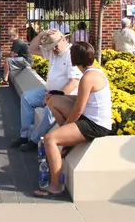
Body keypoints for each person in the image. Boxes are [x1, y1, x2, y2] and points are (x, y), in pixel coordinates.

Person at [35, 41, 113, 198]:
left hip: (94, 125)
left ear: (75, 58)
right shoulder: (93, 72)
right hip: (89, 117)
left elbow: (78, 110)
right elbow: (80, 98)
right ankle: (67, 138)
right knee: (53, 100)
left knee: (50, 139)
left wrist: (64, 128)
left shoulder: (88, 77)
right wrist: (55, 97)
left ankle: (56, 185)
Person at [11, 29, 82, 152]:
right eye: (52, 46)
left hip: (65, 96)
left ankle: (34, 140)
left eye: (56, 45)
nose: (54, 49)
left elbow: (73, 83)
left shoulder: (71, 55)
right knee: (27, 98)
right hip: (48, 91)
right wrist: (42, 34)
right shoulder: (54, 53)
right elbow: (32, 49)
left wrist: (54, 97)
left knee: (50, 111)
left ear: (64, 39)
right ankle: (24, 136)